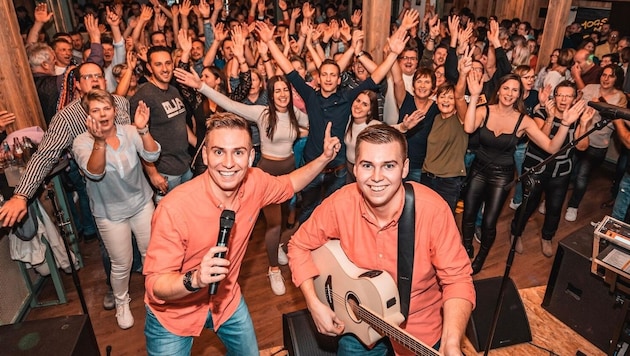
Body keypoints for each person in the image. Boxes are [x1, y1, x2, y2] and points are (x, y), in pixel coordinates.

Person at [143, 113, 341, 355]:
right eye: (218, 152)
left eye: (238, 152)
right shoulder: (174, 209)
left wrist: (324, 159)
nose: (228, 163)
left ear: (250, 157)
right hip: (173, 316)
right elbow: (155, 284)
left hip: (225, 301)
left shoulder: (254, 183)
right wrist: (194, 279)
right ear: (205, 155)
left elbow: (289, 183)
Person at [287, 124, 475, 356]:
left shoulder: (432, 210)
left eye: (388, 166)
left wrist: (451, 341)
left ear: (405, 168)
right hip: (356, 322)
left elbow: (457, 280)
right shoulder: (341, 203)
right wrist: (313, 303)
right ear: (355, 168)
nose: (376, 178)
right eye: (367, 165)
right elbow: (298, 245)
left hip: (417, 327)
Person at [0, 62, 130, 310]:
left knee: (138, 239)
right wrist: (21, 195)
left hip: (134, 187)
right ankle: (115, 288)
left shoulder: (120, 103)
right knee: (108, 245)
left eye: (98, 75)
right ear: (78, 84)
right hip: (101, 191)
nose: (94, 80)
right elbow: (44, 155)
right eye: (87, 77)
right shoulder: (67, 118)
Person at [258, 20, 412, 223]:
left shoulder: (347, 97)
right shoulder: (311, 96)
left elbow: (375, 78)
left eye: (333, 75)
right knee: (307, 212)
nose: (329, 79)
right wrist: (270, 43)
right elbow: (289, 71)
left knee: (335, 213)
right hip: (312, 165)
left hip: (338, 169)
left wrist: (393, 54)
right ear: (318, 78)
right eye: (324, 75)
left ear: (339, 80)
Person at [174, 67, 309, 296]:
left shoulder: (297, 115)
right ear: (271, 94)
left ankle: (276, 247)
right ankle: (273, 268)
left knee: (285, 214)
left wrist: (304, 132)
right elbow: (231, 105)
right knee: (274, 224)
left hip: (289, 169)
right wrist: (202, 87)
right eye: (277, 91)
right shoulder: (262, 113)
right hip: (268, 171)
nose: (282, 95)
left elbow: (313, 122)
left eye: (285, 90)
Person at [462, 69, 584, 274]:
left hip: (502, 175)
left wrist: (564, 124)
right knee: (468, 214)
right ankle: (466, 250)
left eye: (515, 90)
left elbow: (553, 148)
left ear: (520, 95)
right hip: (479, 170)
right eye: (506, 88)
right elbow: (468, 127)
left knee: (490, 221)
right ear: (499, 91)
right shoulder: (485, 110)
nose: (509, 93)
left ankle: (482, 255)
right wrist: (474, 96)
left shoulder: (524, 120)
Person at [72, 89, 160, 329]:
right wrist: (99, 141)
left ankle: (156, 297)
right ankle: (122, 302)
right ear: (86, 116)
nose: (102, 114)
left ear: (115, 110)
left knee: (151, 254)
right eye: (95, 110)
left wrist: (143, 130)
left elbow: (152, 154)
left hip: (142, 204)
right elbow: (94, 172)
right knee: (122, 263)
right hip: (110, 214)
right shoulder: (81, 142)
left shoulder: (130, 132)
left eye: (106, 108)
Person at [509, 81, 592, 257]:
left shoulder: (578, 118)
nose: (563, 99)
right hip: (536, 168)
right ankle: (515, 234)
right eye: (560, 95)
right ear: (554, 97)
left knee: (555, 208)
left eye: (568, 95)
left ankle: (547, 237)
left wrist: (583, 125)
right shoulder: (541, 112)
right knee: (528, 204)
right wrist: (550, 117)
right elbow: (541, 140)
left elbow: (582, 147)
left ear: (575, 98)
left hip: (561, 172)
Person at [129, 46, 196, 200]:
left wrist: (198, 144)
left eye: (168, 63)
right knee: (170, 219)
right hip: (165, 172)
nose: (165, 69)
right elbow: (137, 138)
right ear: (149, 67)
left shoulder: (173, 90)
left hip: (185, 165)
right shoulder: (143, 96)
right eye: (158, 64)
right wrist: (152, 173)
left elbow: (180, 123)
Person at [565, 65, 627, 222]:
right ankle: (551, 199)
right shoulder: (590, 88)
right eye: (604, 75)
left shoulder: (619, 98)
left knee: (582, 176)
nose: (606, 78)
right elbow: (577, 107)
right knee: (566, 171)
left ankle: (573, 206)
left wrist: (601, 102)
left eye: (610, 76)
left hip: (597, 143)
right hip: (578, 137)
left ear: (616, 79)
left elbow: (617, 122)